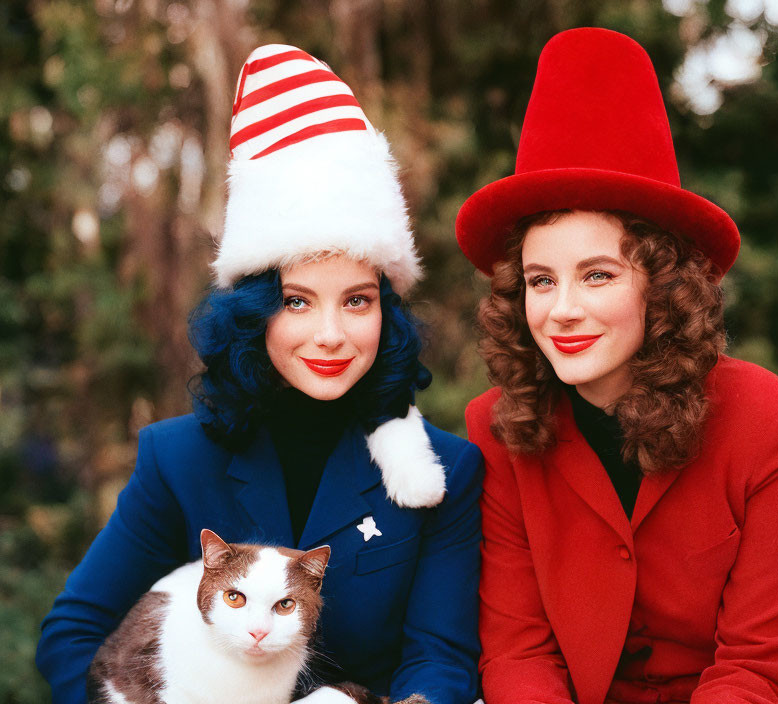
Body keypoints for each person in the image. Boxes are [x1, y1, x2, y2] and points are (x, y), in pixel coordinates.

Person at [37, 44, 482, 704]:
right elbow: (72, 638)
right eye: (297, 300)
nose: (331, 333)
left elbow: (440, 661)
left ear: (385, 310)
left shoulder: (445, 472)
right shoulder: (178, 459)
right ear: (254, 312)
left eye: (357, 300)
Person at [456, 28, 778, 704]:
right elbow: (517, 652)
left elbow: (760, 666)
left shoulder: (774, 425)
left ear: (661, 283)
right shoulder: (495, 426)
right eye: (541, 281)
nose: (561, 310)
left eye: (596, 276)